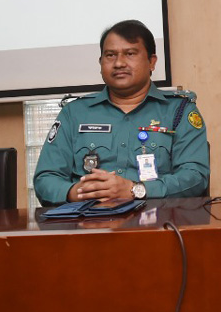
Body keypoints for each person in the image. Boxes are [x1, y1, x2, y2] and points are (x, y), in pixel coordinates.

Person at [33, 20, 209, 205]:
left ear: (151, 62)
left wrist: (135, 190)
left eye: (130, 54)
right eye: (110, 55)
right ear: (100, 63)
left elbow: (195, 177)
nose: (118, 63)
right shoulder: (75, 113)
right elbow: (45, 179)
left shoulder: (179, 111)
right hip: (88, 217)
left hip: (157, 218)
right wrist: (76, 192)